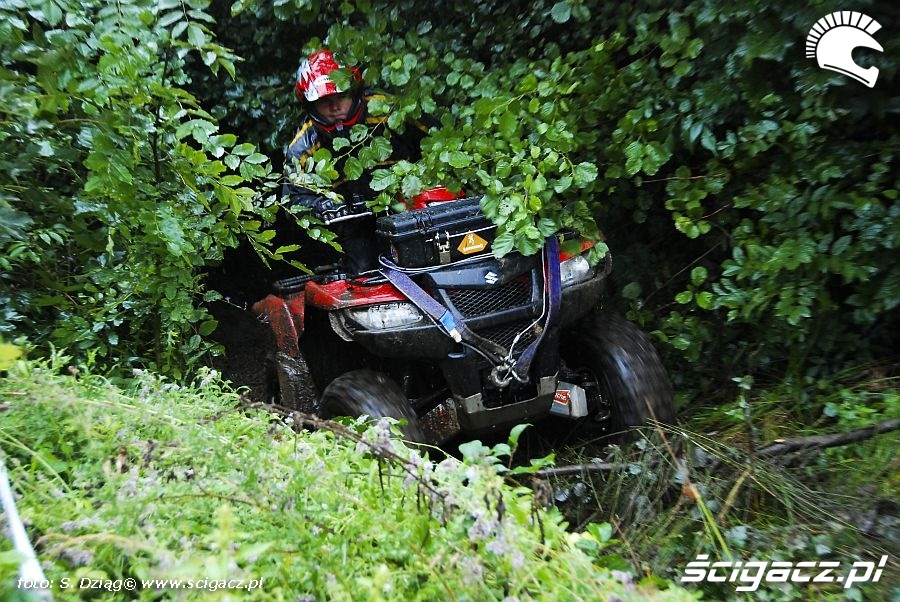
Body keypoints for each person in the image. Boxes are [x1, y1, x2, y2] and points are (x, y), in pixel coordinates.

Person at [280, 49, 432, 273]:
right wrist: (320, 206)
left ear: (356, 92)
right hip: (355, 223)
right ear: (310, 105)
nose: (335, 107)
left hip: (411, 207)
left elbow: (435, 141)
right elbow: (291, 202)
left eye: (342, 96)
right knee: (362, 269)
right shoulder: (303, 147)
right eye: (325, 101)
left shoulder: (387, 111)